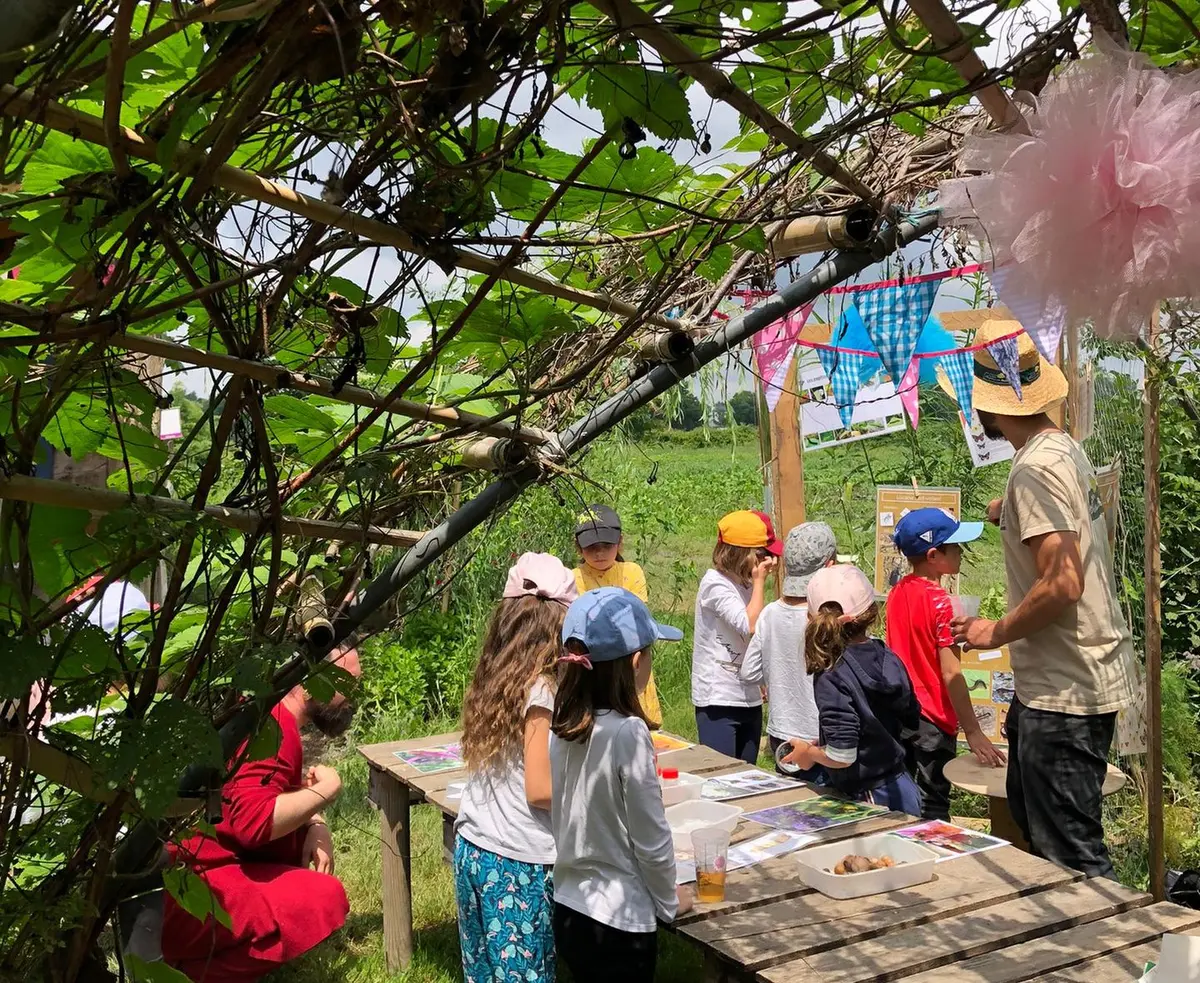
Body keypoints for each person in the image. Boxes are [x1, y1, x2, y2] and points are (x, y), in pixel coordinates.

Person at [946, 320, 1135, 878]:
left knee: (1071, 857)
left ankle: (1115, 959)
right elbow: (1065, 527)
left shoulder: (1034, 470)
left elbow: (1062, 583)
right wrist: (1012, 513)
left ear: (985, 405)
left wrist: (993, 632)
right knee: (1038, 823)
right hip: (1055, 684)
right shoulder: (1060, 449)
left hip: (1067, 689)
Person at [162, 647, 360, 982]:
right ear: (310, 681)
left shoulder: (264, 711)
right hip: (190, 894)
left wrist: (315, 821)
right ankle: (197, 974)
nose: (351, 697)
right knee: (325, 898)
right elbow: (253, 825)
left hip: (182, 879)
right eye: (346, 684)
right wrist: (325, 791)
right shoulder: (276, 728)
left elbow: (262, 796)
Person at [550, 587, 692, 983]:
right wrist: (669, 901)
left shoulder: (562, 724)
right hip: (619, 920)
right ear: (634, 661)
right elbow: (651, 836)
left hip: (570, 906)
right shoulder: (628, 732)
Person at [453, 553, 577, 983]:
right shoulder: (542, 688)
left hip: (474, 845)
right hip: (518, 861)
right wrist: (591, 798)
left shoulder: (494, 674)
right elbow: (540, 791)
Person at [887, 508, 1005, 821]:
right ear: (934, 555)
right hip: (934, 718)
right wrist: (974, 731)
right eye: (956, 547)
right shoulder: (941, 603)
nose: (961, 553)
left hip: (902, 712)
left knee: (905, 795)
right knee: (934, 802)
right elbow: (951, 671)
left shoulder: (896, 592)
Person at [782, 565, 922, 813]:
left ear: (811, 618)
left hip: (868, 797)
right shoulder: (888, 656)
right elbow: (906, 716)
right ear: (872, 613)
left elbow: (843, 755)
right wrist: (827, 740)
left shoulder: (831, 673)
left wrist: (810, 754)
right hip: (902, 787)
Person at [739, 522, 838, 781]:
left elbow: (749, 673)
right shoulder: (826, 620)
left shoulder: (770, 613)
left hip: (781, 732)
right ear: (828, 566)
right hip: (821, 737)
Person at [692, 510, 780, 764]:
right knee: (721, 776)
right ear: (743, 553)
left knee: (748, 774)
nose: (771, 561)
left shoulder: (747, 583)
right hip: (718, 698)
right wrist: (760, 581)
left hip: (748, 696)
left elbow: (758, 635)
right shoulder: (714, 584)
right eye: (764, 554)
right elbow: (749, 625)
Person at [572, 504, 661, 729]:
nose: (599, 553)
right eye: (591, 547)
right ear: (578, 547)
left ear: (620, 542)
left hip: (632, 665)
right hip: (594, 669)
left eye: (606, 545)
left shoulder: (631, 571)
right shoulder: (572, 578)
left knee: (642, 729)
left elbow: (636, 620)